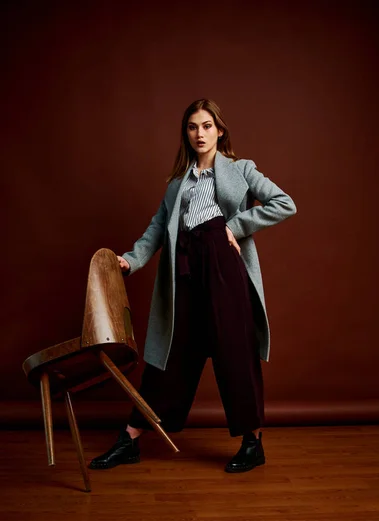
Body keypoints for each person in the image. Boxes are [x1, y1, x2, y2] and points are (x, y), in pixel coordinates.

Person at [89, 98, 296, 474]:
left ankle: (253, 443)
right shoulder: (177, 184)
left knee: (235, 349)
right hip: (184, 268)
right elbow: (156, 229)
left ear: (220, 130)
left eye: (206, 126)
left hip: (222, 265)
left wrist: (235, 227)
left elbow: (284, 203)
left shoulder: (241, 168)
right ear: (185, 133)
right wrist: (130, 260)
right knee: (171, 351)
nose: (199, 134)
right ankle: (131, 437)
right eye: (192, 127)